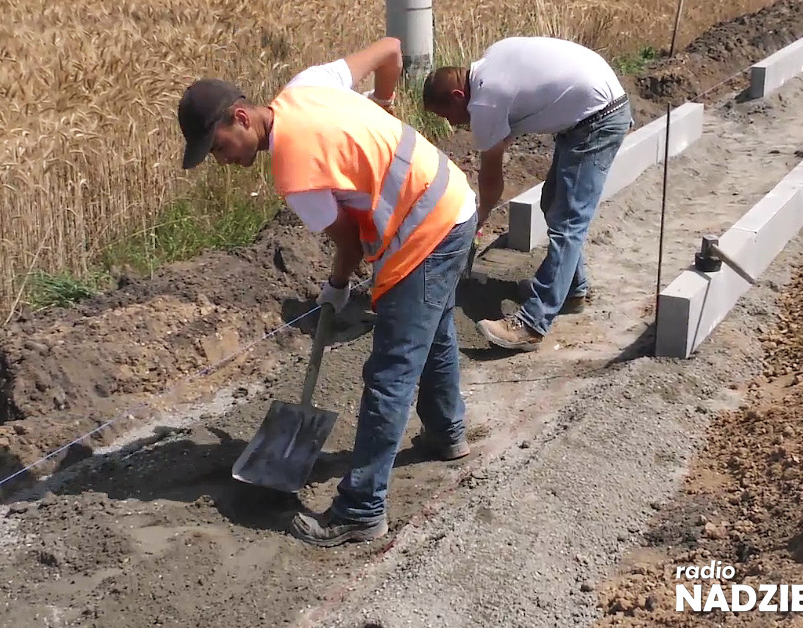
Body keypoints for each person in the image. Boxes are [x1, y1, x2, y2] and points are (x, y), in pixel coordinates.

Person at [176, 37, 478, 547]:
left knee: (390, 373)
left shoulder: (296, 173)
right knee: (435, 329)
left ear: (243, 118)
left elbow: (350, 244)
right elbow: (390, 51)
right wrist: (383, 107)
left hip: (425, 230)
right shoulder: (308, 85)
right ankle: (447, 434)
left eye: (221, 148)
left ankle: (361, 509)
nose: (222, 162)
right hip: (453, 197)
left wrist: (335, 287)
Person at [422, 36, 633, 352]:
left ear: (457, 96)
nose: (452, 124)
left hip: (598, 117)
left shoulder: (484, 102)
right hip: (588, 110)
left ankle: (533, 323)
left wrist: (477, 219)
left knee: (568, 223)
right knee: (552, 202)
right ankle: (572, 290)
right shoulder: (489, 63)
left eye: (446, 115)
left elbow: (492, 179)